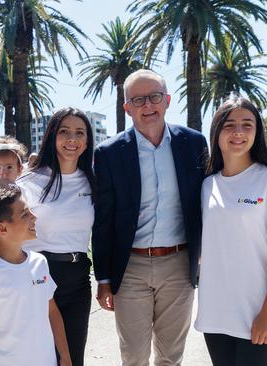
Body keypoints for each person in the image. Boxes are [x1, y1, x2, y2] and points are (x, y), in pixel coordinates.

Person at [92, 69, 207, 366]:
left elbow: (205, 204)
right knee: (134, 355)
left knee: (171, 356)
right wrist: (104, 277)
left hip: (179, 266)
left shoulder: (194, 144)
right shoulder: (108, 153)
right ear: (126, 107)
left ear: (167, 101)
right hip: (130, 267)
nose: (148, 105)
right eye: (138, 99)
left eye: (154, 97)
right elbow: (103, 220)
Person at [194, 97, 267, 365]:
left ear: (257, 132)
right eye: (229, 125)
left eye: (247, 124)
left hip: (258, 315)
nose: (238, 132)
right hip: (215, 314)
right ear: (216, 132)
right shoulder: (206, 185)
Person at [17, 107, 95, 365]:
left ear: (87, 141)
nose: (72, 139)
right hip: (38, 277)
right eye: (64, 132)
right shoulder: (29, 181)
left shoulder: (93, 181)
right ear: (52, 136)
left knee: (72, 358)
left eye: (79, 133)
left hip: (78, 279)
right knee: (39, 356)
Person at [0, 186, 71, 366]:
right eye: (24, 214)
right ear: (2, 228)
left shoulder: (40, 263)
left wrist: (65, 355)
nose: (34, 217)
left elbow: (52, 311)